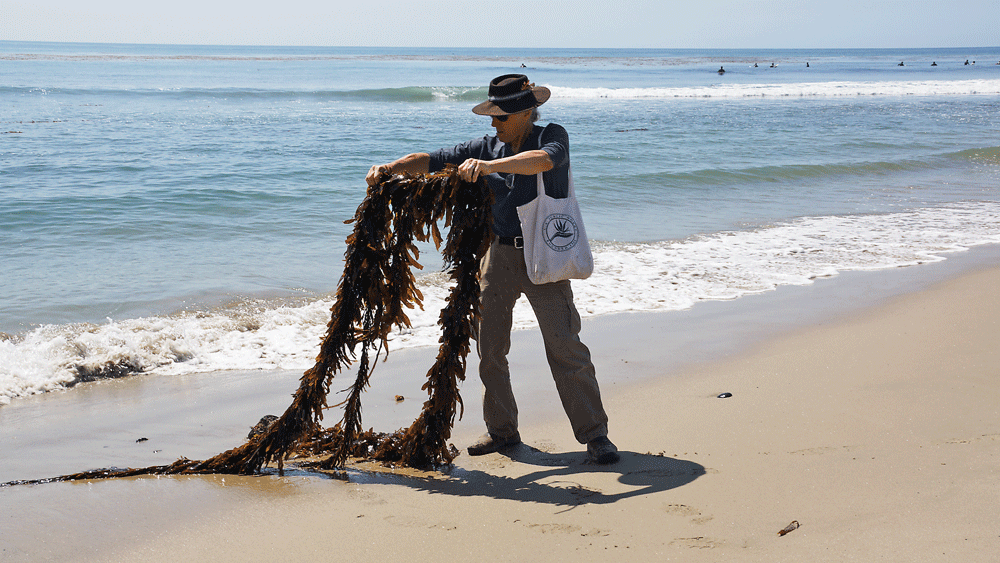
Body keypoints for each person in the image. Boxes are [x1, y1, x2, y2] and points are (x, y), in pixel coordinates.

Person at [365, 74, 619, 464]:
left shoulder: (550, 135)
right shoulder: (483, 146)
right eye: (493, 116)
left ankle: (595, 435)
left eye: (500, 117)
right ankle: (502, 431)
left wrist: (489, 166)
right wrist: (390, 167)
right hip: (497, 255)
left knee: (565, 347)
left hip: (543, 257)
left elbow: (543, 162)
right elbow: (429, 160)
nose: (493, 123)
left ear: (524, 112)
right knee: (490, 350)